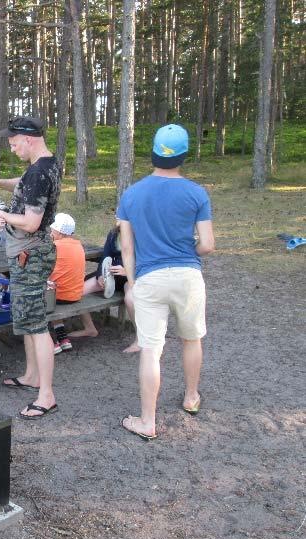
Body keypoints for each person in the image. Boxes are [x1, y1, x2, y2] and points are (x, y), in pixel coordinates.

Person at [117, 124, 215, 440]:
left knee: (150, 349)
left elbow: (127, 248)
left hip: (149, 278)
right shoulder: (197, 193)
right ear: (184, 155)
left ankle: (148, 421)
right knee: (192, 338)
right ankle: (191, 397)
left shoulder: (131, 194)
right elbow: (208, 245)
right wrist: (189, 250)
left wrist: (132, 282)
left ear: (153, 153)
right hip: (188, 276)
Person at [0, 116, 60, 420]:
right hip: (30, 252)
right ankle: (31, 376)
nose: (12, 149)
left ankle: (46, 395)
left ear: (29, 139)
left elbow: (31, 221)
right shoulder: (45, 164)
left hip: (31, 254)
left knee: (36, 325)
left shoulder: (40, 172)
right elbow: (24, 186)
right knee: (27, 317)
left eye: (13, 144)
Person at [68, 219, 140, 353]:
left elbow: (149, 261)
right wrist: (100, 275)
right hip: (110, 276)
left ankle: (140, 339)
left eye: (121, 215)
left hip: (131, 277)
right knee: (76, 291)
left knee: (130, 299)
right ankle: (90, 328)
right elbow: (105, 256)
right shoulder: (113, 234)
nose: (117, 218)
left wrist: (128, 271)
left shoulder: (143, 235)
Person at [46, 213, 85, 354]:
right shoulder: (78, 245)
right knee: (55, 287)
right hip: (75, 295)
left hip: (59, 296)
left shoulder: (54, 246)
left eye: (53, 229)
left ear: (60, 232)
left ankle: (51, 342)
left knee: (36, 297)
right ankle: (63, 338)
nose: (50, 231)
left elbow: (42, 269)